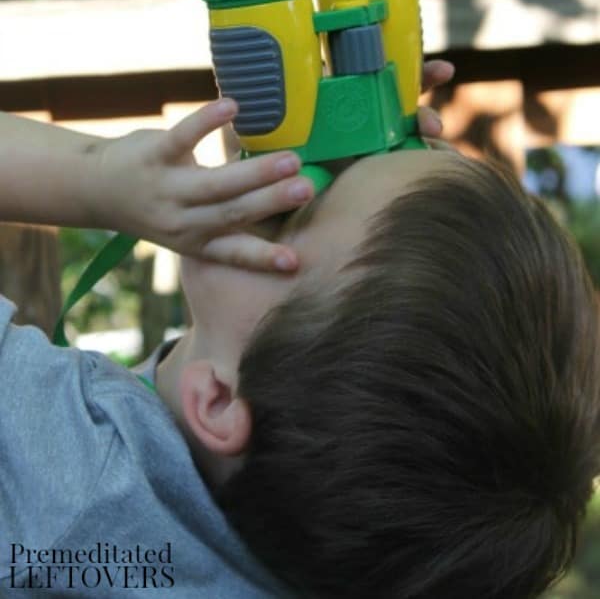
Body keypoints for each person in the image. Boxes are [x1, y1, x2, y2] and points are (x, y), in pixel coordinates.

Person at [1, 58, 598, 599]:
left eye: (296, 211)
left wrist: (99, 177)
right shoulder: (360, 564)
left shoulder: (71, 469)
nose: (297, 177)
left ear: (218, 400)